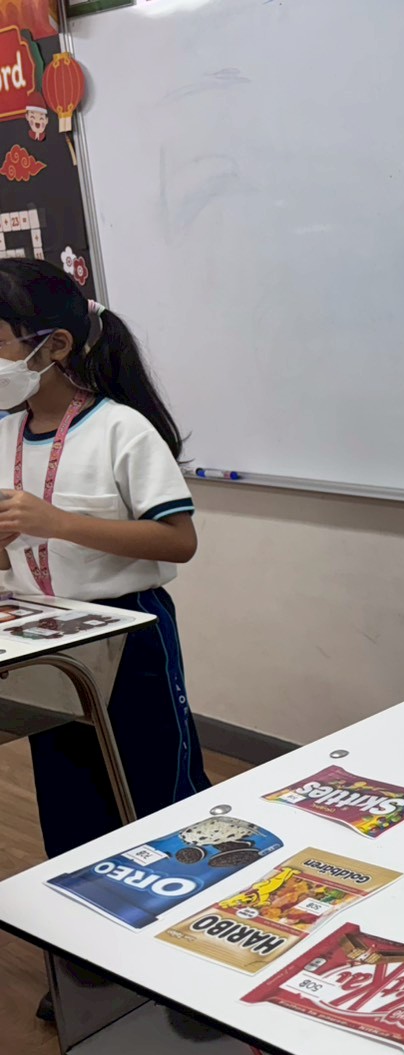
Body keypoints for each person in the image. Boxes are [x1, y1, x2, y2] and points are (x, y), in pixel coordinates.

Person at [0, 260, 208, 879]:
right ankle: (84, 920)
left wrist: (57, 522)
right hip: (45, 636)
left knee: (155, 790)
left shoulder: (121, 428)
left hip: (128, 631)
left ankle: (180, 904)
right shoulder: (6, 432)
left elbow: (178, 541)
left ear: (54, 346)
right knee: (69, 792)